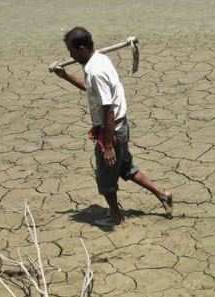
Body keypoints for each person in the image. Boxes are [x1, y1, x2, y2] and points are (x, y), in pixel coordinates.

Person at [52, 27, 172, 225]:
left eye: (71, 51)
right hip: (119, 126)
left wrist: (107, 146)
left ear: (81, 48)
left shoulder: (96, 70)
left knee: (105, 176)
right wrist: (65, 76)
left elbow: (108, 109)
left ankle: (116, 216)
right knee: (125, 167)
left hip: (112, 129)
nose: (70, 55)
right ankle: (163, 195)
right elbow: (91, 90)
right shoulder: (98, 60)